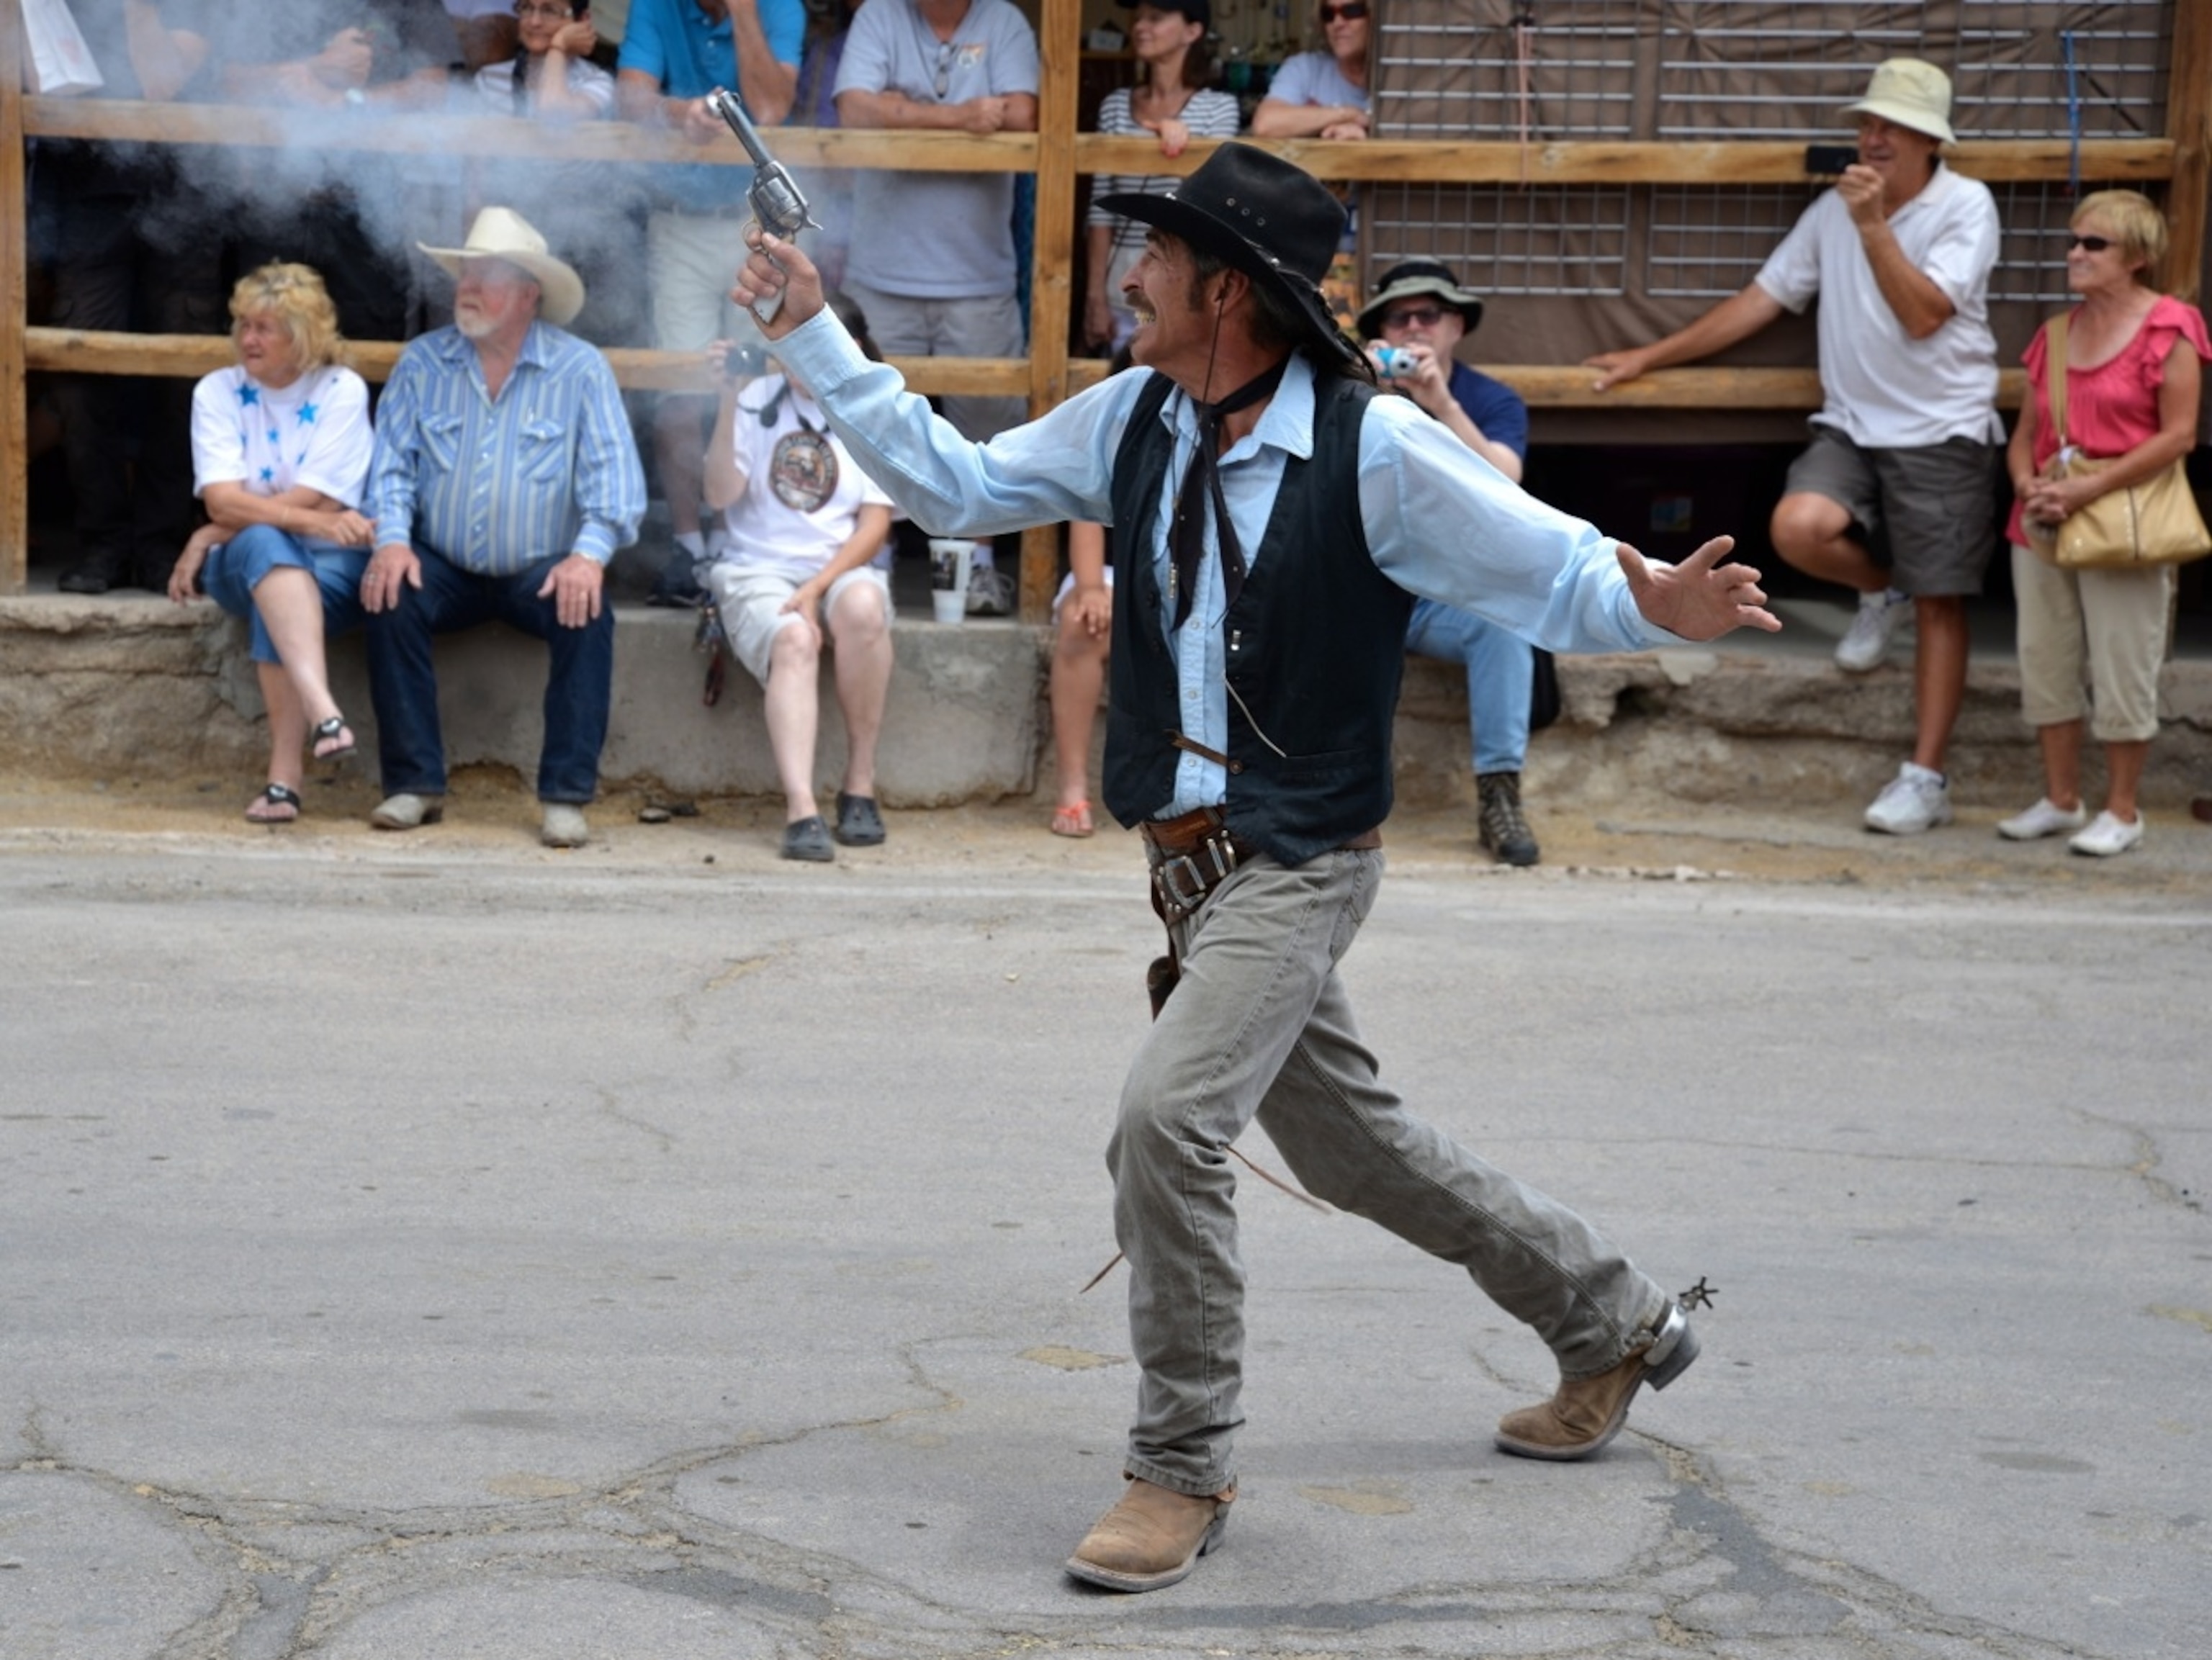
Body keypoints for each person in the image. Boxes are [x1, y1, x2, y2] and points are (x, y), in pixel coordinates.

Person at [732, 141, 1779, 1592]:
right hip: (1193, 871)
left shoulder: (1377, 446)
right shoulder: (1135, 417)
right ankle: (1617, 1320)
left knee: (1165, 1120)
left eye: (1155, 255)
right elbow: (962, 484)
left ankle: (1182, 1461)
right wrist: (810, 331)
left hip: (1301, 858)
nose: (1128, 272)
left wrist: (1653, 597)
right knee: (1359, 1151)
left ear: (1228, 292)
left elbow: (1547, 565)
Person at [1587, 58, 2001, 836]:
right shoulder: (1830, 210)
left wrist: (1875, 225)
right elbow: (1762, 300)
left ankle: (1926, 775)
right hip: (1850, 422)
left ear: (1928, 140)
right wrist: (1649, 356)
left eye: (1888, 126)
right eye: (1865, 124)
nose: (1870, 138)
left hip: (1945, 426)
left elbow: (1923, 316)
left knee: (1946, 601)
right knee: (1795, 529)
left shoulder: (1966, 205)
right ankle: (1887, 590)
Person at [359, 208, 647, 848]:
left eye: (486, 276)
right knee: (387, 588)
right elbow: (391, 471)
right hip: (443, 563)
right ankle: (415, 785)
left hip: (539, 569)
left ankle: (565, 796)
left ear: (527, 295)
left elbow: (615, 487)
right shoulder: (422, 363)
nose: (468, 286)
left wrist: (588, 556)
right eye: (466, 273)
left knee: (587, 605)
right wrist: (393, 541)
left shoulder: (580, 370)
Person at [2000, 191, 2209, 858]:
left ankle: (2124, 809)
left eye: (2096, 245)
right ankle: (2062, 799)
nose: (2076, 254)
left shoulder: (2170, 327)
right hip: (2044, 519)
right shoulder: (2055, 336)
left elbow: (2177, 437)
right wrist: (2025, 483)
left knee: (2125, 660)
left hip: (2125, 518)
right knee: (2046, 658)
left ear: (2139, 258)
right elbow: (2024, 433)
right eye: (2075, 241)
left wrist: (2088, 487)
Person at [833, 0, 1040, 615]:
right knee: (870, 425)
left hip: (977, 273)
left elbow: (1024, 114)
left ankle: (977, 565)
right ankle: (866, 565)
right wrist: (961, 118)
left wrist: (898, 111)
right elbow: (852, 109)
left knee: (987, 430)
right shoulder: (880, 13)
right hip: (882, 270)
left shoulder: (1004, 20)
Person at [616, 0, 809, 605]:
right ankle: (687, 545)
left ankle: (734, 539)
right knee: (679, 387)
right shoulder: (654, 4)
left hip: (754, 222)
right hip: (678, 219)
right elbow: (629, 98)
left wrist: (745, 10)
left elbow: (773, 104)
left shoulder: (778, 7)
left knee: (750, 386)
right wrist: (680, 112)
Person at [167, 264, 375, 824]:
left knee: (276, 579)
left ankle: (284, 784)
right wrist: (223, 523)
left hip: (322, 565)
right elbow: (223, 500)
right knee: (264, 548)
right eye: (243, 325)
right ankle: (323, 709)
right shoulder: (218, 391)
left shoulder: (341, 389)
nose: (247, 339)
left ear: (303, 337)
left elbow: (325, 502)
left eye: (264, 328)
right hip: (244, 563)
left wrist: (214, 531)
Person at [701, 293, 897, 862]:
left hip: (841, 565)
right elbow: (719, 496)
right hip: (754, 566)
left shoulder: (874, 409)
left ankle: (860, 783)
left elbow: (874, 527)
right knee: (793, 638)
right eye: (793, 349)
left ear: (853, 350)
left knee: (860, 608)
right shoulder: (754, 398)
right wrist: (726, 400)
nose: (805, 363)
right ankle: (801, 808)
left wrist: (814, 588)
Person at [1359, 259, 1542, 865]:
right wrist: (1364, 389)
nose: (1415, 329)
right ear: (1379, 332)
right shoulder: (1348, 392)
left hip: (1444, 599)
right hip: (1358, 585)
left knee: (1504, 623)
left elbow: (1509, 488)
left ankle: (1500, 796)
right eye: (1399, 317)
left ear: (1456, 326)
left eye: (1428, 315)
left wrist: (1440, 404)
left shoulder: (1490, 401)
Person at [43, 0, 225, 595]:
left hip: (185, 194)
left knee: (182, 378)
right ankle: (101, 540)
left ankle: (159, 542)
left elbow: (161, 81)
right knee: (78, 370)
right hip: (86, 198)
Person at [472, 1, 647, 350]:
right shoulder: (488, 80)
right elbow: (477, 176)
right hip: (513, 233)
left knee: (586, 346)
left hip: (588, 239)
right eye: (527, 8)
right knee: (512, 346)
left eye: (550, 10)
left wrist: (556, 49)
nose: (535, 21)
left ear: (583, 22)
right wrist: (475, 253)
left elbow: (553, 117)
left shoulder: (597, 81)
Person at [1082, 0, 1241, 354]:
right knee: (1122, 399)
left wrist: (1182, 146)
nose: (1141, 26)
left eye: (1156, 18)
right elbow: (1100, 213)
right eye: (1137, 18)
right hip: (1122, 287)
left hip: (1185, 292)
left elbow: (1214, 203)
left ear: (1193, 30)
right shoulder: (1114, 106)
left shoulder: (1219, 108)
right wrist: (1094, 296)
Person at [1249, 0, 1368, 140]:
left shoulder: (1398, 76)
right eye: (1328, 14)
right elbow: (1265, 124)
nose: (1338, 23)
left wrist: (1366, 134)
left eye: (1352, 11)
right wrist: (1349, 115)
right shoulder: (1304, 68)